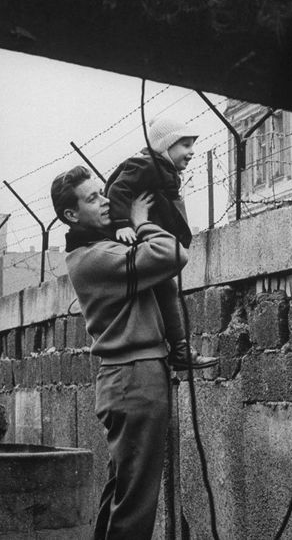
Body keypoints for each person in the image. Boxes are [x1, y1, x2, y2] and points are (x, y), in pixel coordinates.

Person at [50, 165, 184, 540]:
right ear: (71, 215)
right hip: (135, 378)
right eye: (93, 198)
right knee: (136, 502)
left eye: (102, 192)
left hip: (129, 378)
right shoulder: (94, 256)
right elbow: (173, 253)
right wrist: (141, 221)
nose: (106, 200)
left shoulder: (101, 247)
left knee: (123, 491)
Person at [105, 116, 218, 371]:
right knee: (165, 292)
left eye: (192, 145)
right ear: (164, 146)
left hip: (149, 241)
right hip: (136, 241)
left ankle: (178, 349)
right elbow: (118, 190)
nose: (191, 152)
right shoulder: (147, 165)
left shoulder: (164, 171)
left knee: (167, 292)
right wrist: (123, 223)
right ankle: (178, 351)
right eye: (185, 145)